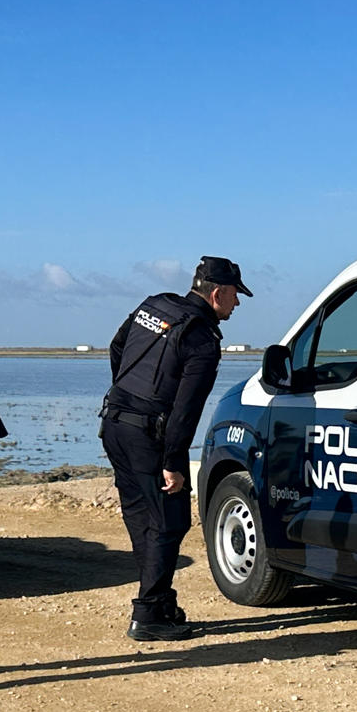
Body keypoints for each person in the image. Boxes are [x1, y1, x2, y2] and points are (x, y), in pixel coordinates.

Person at [100, 256, 249, 641]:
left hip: (114, 423)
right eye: (235, 294)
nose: (237, 303)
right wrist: (173, 462)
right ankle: (148, 614)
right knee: (170, 521)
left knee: (141, 516)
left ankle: (160, 602)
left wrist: (126, 396)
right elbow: (186, 409)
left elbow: (117, 347)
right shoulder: (202, 339)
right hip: (148, 436)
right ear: (217, 293)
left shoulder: (155, 305)